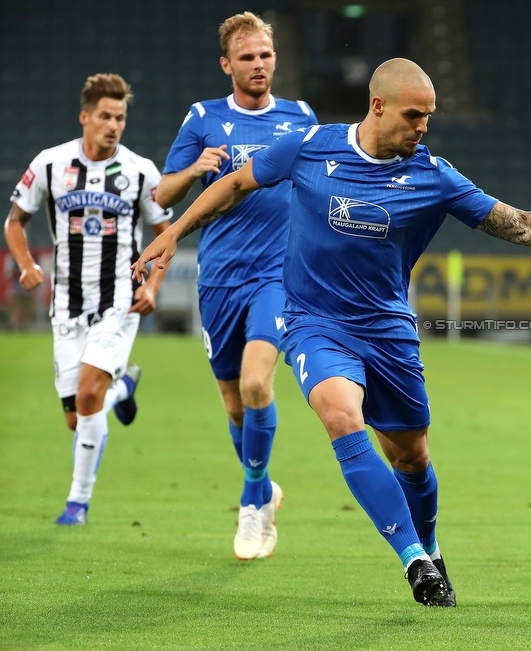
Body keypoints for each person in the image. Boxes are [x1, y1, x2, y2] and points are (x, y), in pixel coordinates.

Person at [133, 58, 531, 607]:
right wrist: (174, 234)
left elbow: (516, 221)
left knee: (411, 457)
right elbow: (238, 182)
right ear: (378, 106)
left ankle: (429, 546)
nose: (423, 126)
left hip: (386, 330)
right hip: (314, 322)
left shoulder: (433, 175)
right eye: (414, 115)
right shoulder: (311, 145)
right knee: (340, 415)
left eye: (429, 116)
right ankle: (414, 561)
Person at [154, 12, 318, 561]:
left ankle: (252, 506)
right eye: (247, 57)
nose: (258, 65)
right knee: (233, 404)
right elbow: (163, 194)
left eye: (266, 55)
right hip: (219, 277)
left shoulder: (300, 118)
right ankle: (266, 485)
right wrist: (195, 167)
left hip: (278, 275)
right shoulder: (203, 118)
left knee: (255, 385)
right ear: (227, 65)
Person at [3, 73, 172, 525]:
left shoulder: (140, 171)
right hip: (67, 306)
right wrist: (24, 264)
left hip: (119, 300)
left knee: (87, 394)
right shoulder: (50, 164)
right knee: (78, 419)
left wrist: (152, 285)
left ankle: (77, 502)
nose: (113, 124)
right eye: (104, 116)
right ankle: (124, 388)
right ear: (85, 117)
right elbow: (15, 222)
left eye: (119, 117)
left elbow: (166, 236)